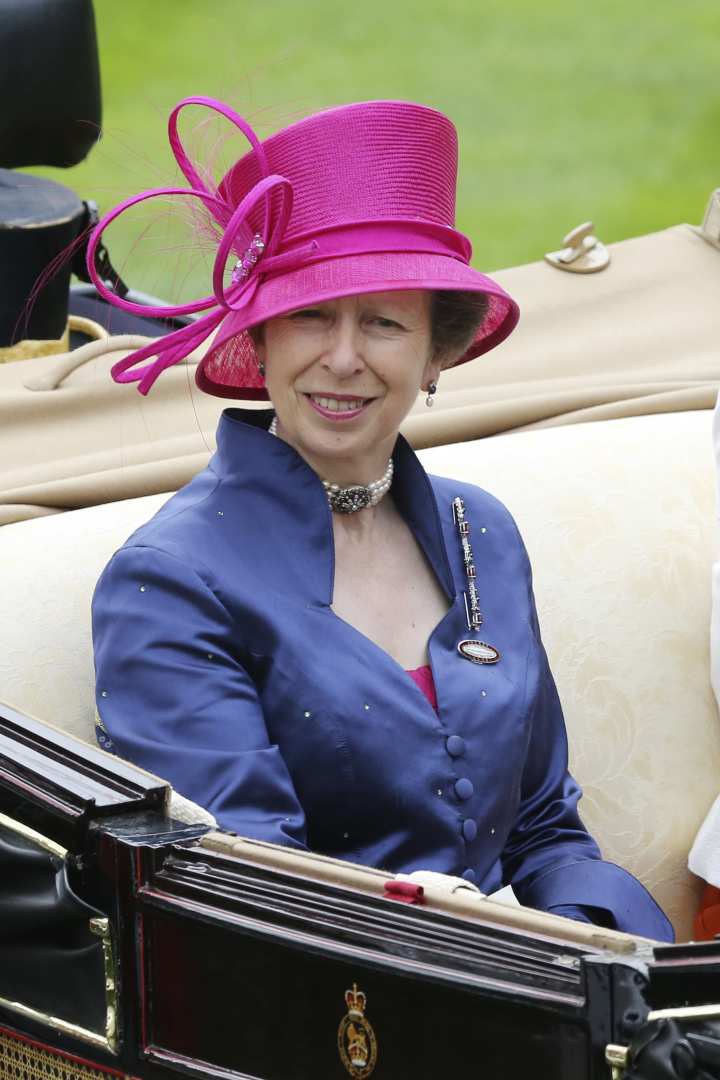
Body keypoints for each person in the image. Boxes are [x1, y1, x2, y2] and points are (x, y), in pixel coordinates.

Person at [89, 96, 672, 941]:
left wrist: (606, 963)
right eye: (310, 315)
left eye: (385, 323)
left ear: (438, 353)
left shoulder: (483, 531)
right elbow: (248, 887)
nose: (343, 357)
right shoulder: (168, 582)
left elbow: (544, 826)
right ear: (260, 342)